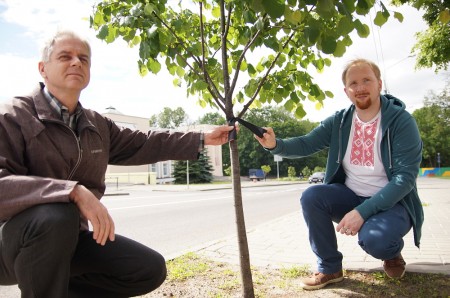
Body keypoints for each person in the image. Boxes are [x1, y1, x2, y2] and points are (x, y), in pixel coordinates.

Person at [0, 30, 234, 298]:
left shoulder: (97, 124)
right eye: (65, 56)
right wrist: (72, 191)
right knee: (58, 213)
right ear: (43, 68)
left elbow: (145, 142)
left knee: (147, 268)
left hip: (69, 243)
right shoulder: (13, 116)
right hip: (11, 245)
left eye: (83, 59)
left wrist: (203, 138)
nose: (76, 62)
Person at [255, 58, 424, 290]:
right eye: (353, 83)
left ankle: (392, 252)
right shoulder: (340, 121)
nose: (360, 87)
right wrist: (275, 145)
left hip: (393, 203)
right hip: (350, 195)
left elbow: (404, 179)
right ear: (346, 91)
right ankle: (329, 268)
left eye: (367, 80)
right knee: (312, 196)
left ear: (379, 84)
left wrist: (362, 212)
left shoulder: (400, 121)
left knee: (375, 240)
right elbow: (307, 143)